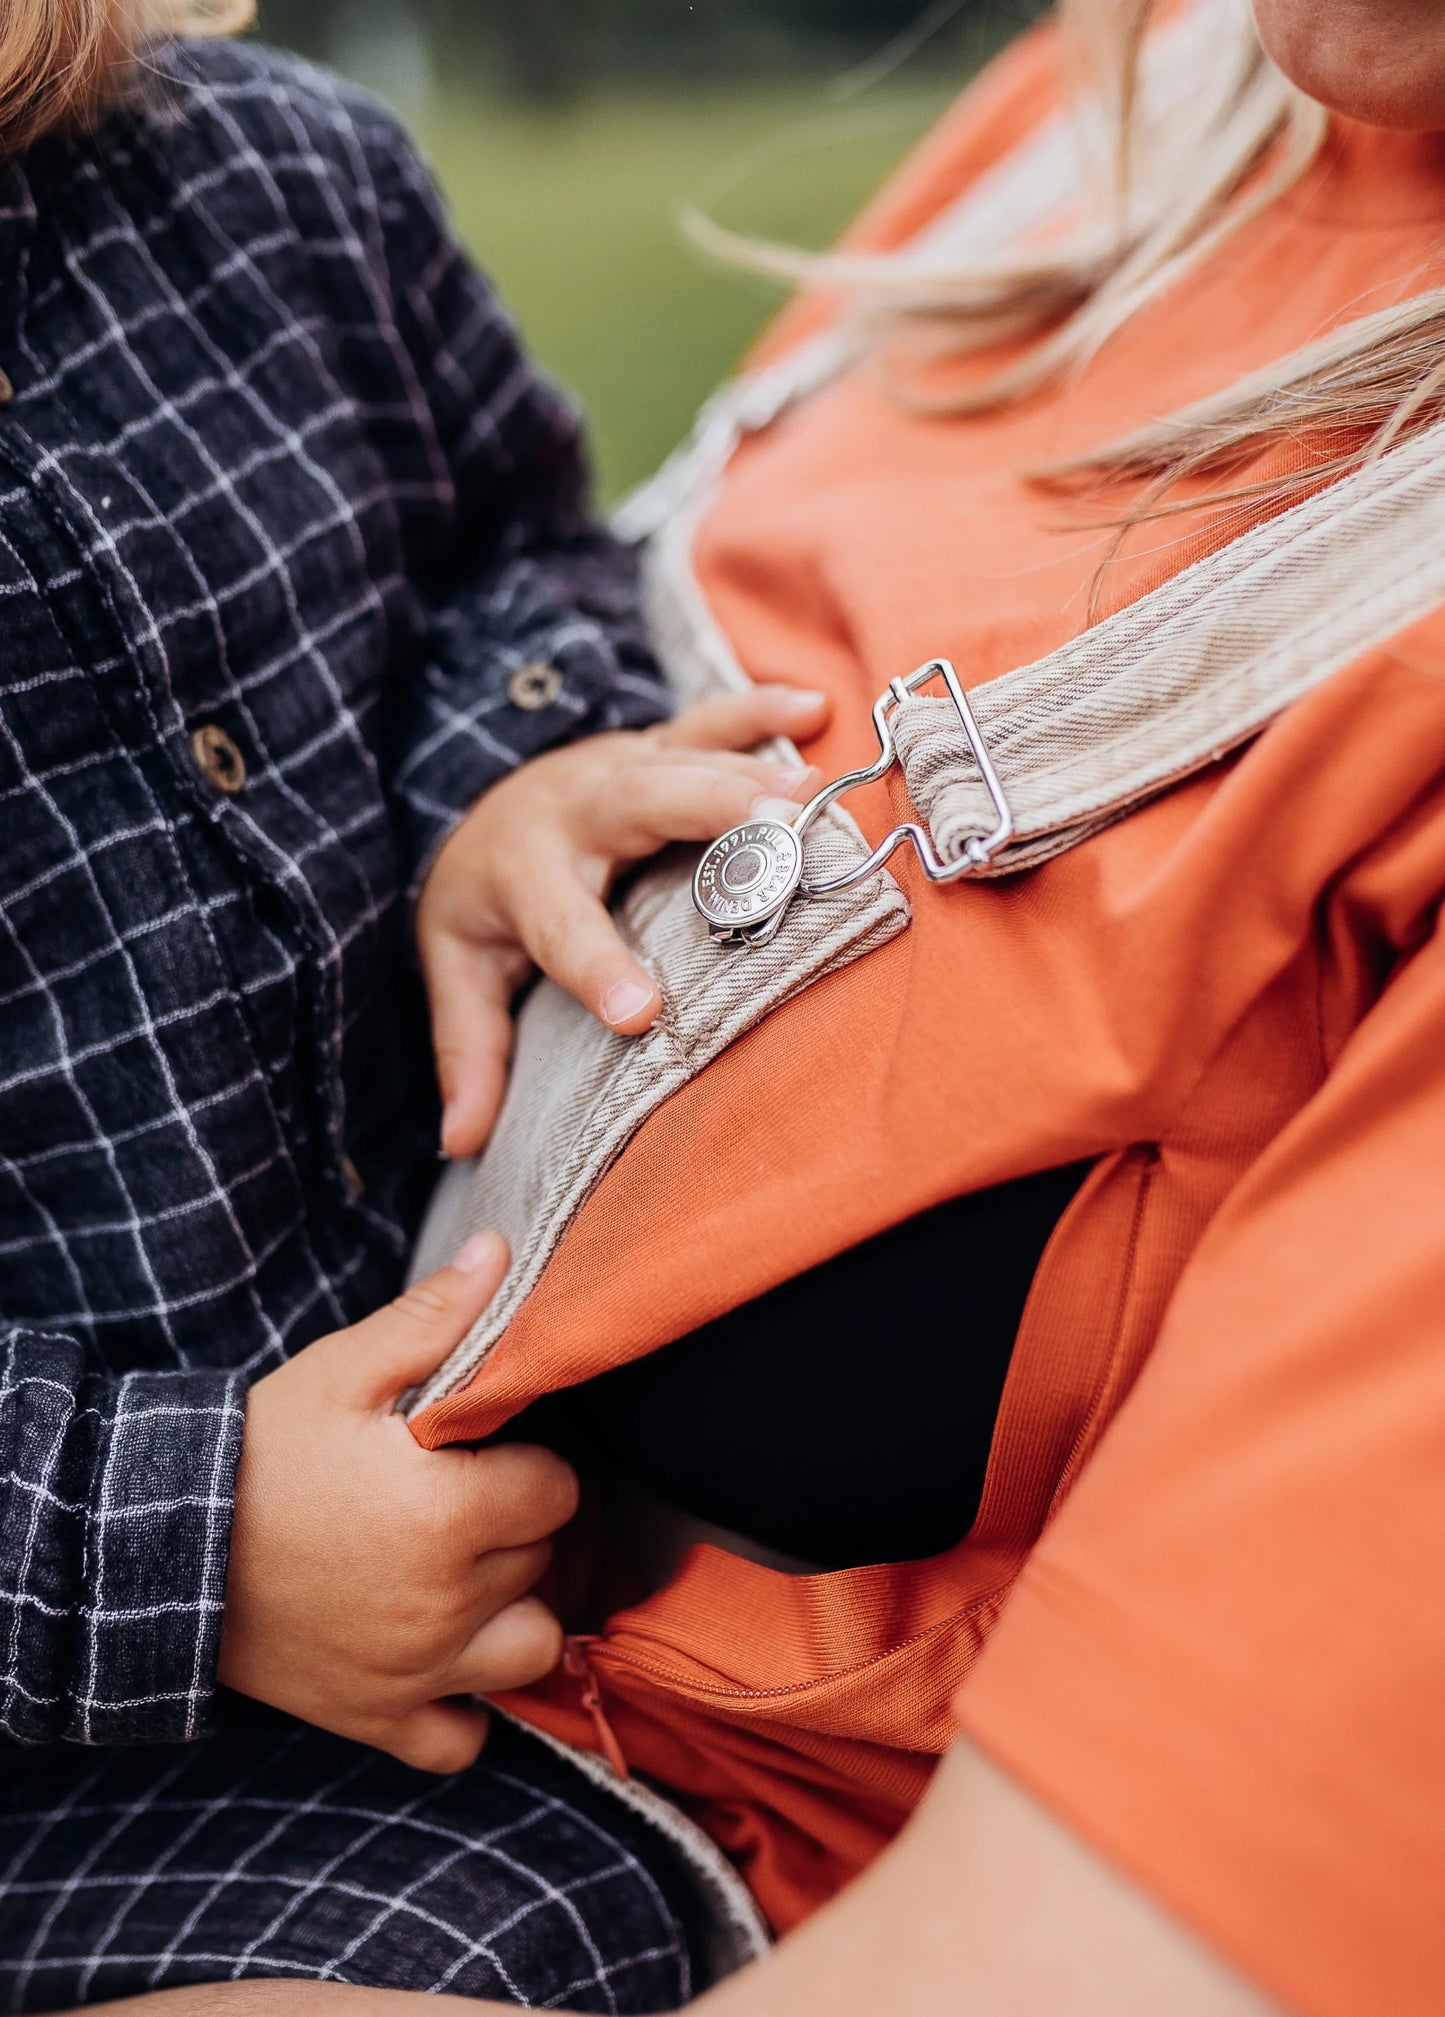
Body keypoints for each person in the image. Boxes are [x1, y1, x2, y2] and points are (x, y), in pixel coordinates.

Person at [11, 5, 1445, 2017]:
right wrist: (505, 802)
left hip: (488, 1820)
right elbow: (515, 590)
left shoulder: (268, 188)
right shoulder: (1149, 90)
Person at [0, 1, 829, 2005]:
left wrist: (501, 787)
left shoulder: (292, 181)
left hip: (547, 1494)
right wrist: (191, 1540)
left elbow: (528, 552)